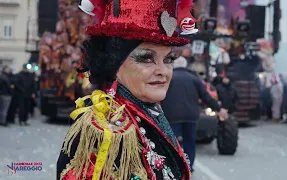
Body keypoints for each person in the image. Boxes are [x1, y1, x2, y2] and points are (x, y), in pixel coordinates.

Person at [57, 0, 201, 179]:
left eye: (169, 59)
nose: (163, 71)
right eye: (147, 59)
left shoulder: (149, 110)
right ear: (114, 63)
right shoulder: (103, 130)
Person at [161, 57, 227, 172]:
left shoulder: (169, 78)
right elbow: (206, 97)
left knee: (172, 143)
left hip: (172, 116)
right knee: (190, 142)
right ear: (186, 66)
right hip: (191, 116)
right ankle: (189, 167)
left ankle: (172, 167)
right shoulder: (194, 78)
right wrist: (219, 109)